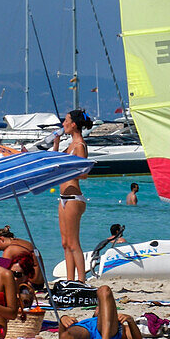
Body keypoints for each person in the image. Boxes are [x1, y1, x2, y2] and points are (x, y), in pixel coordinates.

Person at [54, 108, 93, 282]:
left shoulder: (80, 146)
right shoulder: (69, 145)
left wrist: (67, 173)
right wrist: (56, 143)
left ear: (74, 124)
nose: (63, 124)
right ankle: (70, 280)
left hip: (74, 198)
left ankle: (81, 280)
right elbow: (55, 162)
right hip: (64, 198)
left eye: (66, 121)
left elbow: (84, 172)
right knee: (65, 243)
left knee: (73, 242)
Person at [51, 284, 142, 339]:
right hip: (87, 330)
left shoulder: (119, 325)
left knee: (104, 290)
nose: (99, 308)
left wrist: (130, 321)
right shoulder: (87, 323)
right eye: (99, 307)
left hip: (108, 332)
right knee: (67, 336)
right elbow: (62, 337)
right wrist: (63, 321)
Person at [0, 225, 44, 289]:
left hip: (31, 284)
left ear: (1, 239)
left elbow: (2, 270)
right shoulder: (22, 242)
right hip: (40, 282)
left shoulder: (9, 250)